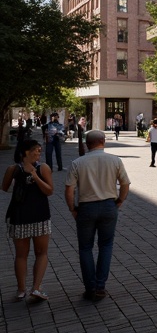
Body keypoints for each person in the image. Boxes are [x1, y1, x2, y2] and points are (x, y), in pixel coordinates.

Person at [65, 129, 130, 301]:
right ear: (103, 141)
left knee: (85, 248)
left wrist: (72, 208)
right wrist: (120, 201)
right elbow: (125, 183)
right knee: (106, 245)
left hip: (86, 207)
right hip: (109, 206)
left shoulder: (78, 162)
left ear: (87, 143)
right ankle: (100, 286)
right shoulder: (115, 160)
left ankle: (90, 287)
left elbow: (69, 189)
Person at [3, 138, 54, 301]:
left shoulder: (42, 168)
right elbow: (5, 187)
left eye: (40, 150)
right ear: (26, 152)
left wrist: (35, 176)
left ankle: (34, 288)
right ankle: (23, 289)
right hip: (24, 216)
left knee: (39, 253)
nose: (39, 153)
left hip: (35, 216)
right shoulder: (13, 169)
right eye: (37, 150)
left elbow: (49, 190)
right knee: (23, 254)